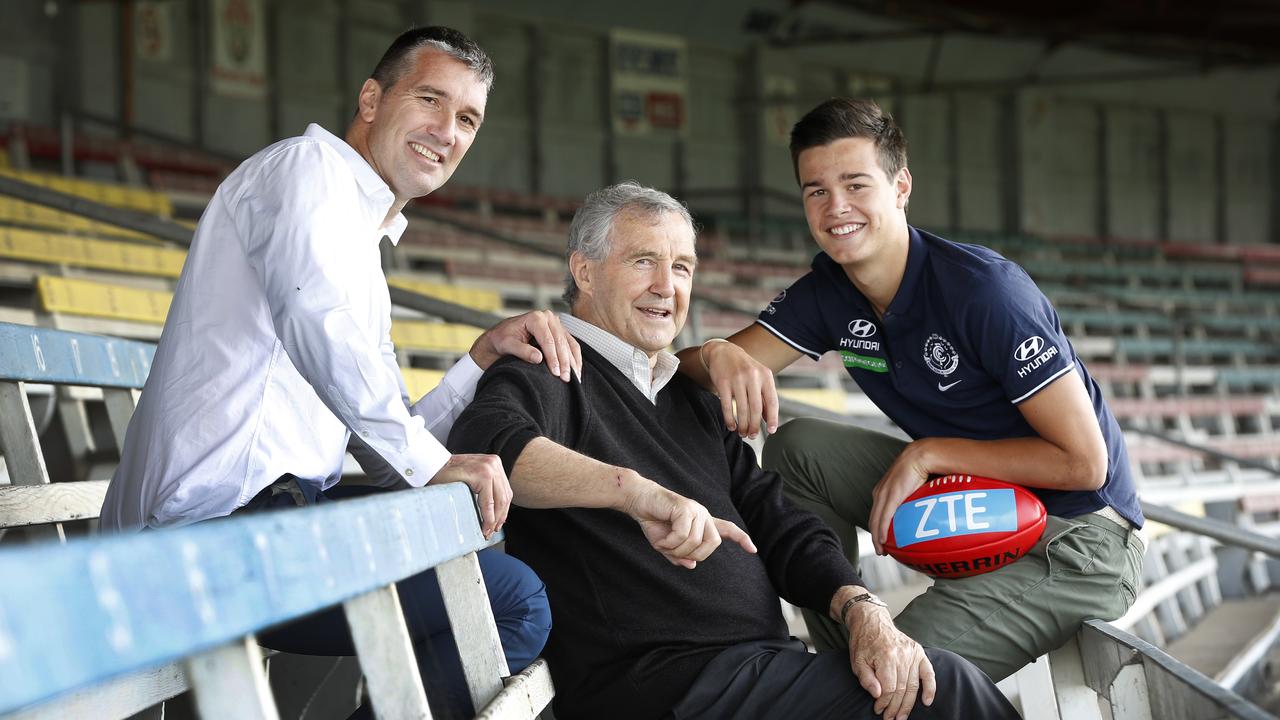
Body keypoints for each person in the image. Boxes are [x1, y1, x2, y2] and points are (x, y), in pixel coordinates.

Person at [99, 26, 575, 715]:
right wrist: (430, 464)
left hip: (281, 522)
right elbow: (317, 321)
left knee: (509, 579)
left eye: (467, 118)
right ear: (372, 99)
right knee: (509, 598)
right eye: (431, 100)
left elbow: (386, 450)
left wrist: (479, 359)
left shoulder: (358, 242)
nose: (447, 130)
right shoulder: (303, 171)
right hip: (206, 535)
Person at [449, 182, 1019, 720]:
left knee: (920, 677)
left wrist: (859, 606)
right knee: (942, 690)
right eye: (643, 261)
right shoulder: (548, 365)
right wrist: (637, 494)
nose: (666, 286)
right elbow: (490, 452)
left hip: (752, 671)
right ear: (585, 271)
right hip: (660, 687)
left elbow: (780, 524)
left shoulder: (686, 397)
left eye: (681, 267)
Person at [676, 97, 1146, 682]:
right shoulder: (830, 291)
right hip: (974, 504)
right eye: (815, 190)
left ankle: (853, 685)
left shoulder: (984, 291)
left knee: (891, 678)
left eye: (855, 184)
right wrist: (720, 351)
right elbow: (692, 370)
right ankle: (842, 651)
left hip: (1079, 539)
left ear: (901, 187)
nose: (835, 207)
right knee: (799, 451)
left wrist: (926, 453)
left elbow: (1084, 465)